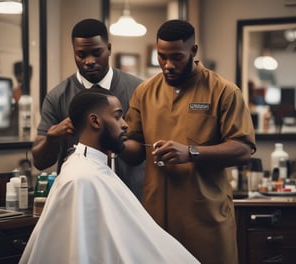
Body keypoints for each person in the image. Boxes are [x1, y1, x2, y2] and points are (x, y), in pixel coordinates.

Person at [120, 20, 256, 264]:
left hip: (207, 221)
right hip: (156, 221)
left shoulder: (224, 92)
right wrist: (114, 143)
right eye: (162, 57)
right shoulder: (145, 91)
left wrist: (191, 152)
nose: (168, 65)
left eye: (176, 57)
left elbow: (243, 149)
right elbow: (134, 150)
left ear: (193, 51)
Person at [20, 87, 200, 264]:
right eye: (117, 116)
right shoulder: (81, 179)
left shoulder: (93, 168)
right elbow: (80, 253)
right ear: (95, 121)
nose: (125, 124)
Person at [31, 18, 145, 200]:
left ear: (108, 48)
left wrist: (113, 137)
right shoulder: (57, 96)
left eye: (96, 52)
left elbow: (143, 153)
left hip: (130, 198)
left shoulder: (138, 90)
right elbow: (40, 162)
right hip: (80, 198)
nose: (89, 61)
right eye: (82, 54)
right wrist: (53, 138)